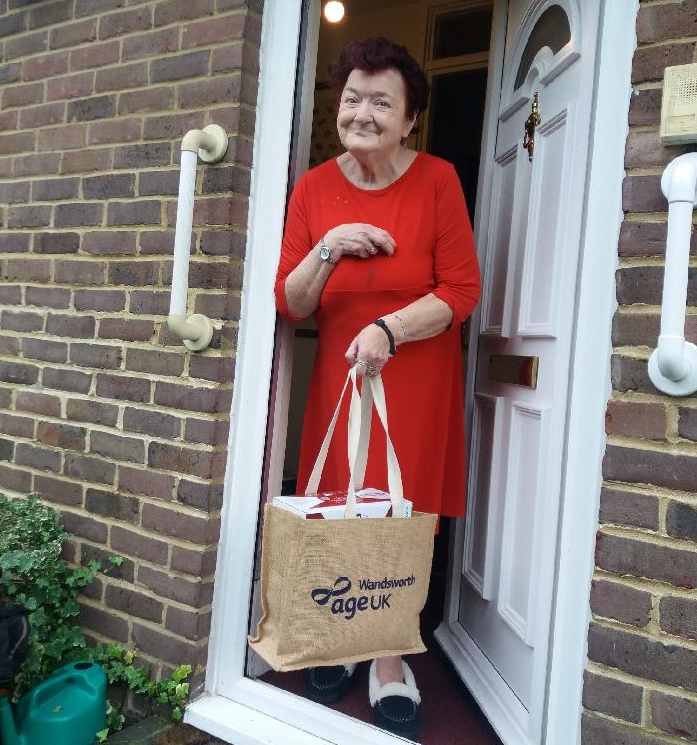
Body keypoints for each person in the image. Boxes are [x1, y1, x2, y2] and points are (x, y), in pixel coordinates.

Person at [274, 36, 480, 739]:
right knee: (338, 507)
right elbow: (291, 302)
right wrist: (330, 245)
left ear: (410, 118)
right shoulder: (313, 190)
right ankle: (338, 636)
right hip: (341, 380)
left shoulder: (438, 181)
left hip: (412, 376)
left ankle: (388, 654)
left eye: (382, 101)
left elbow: (461, 290)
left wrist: (390, 330)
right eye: (352, 98)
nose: (362, 112)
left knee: (397, 511)